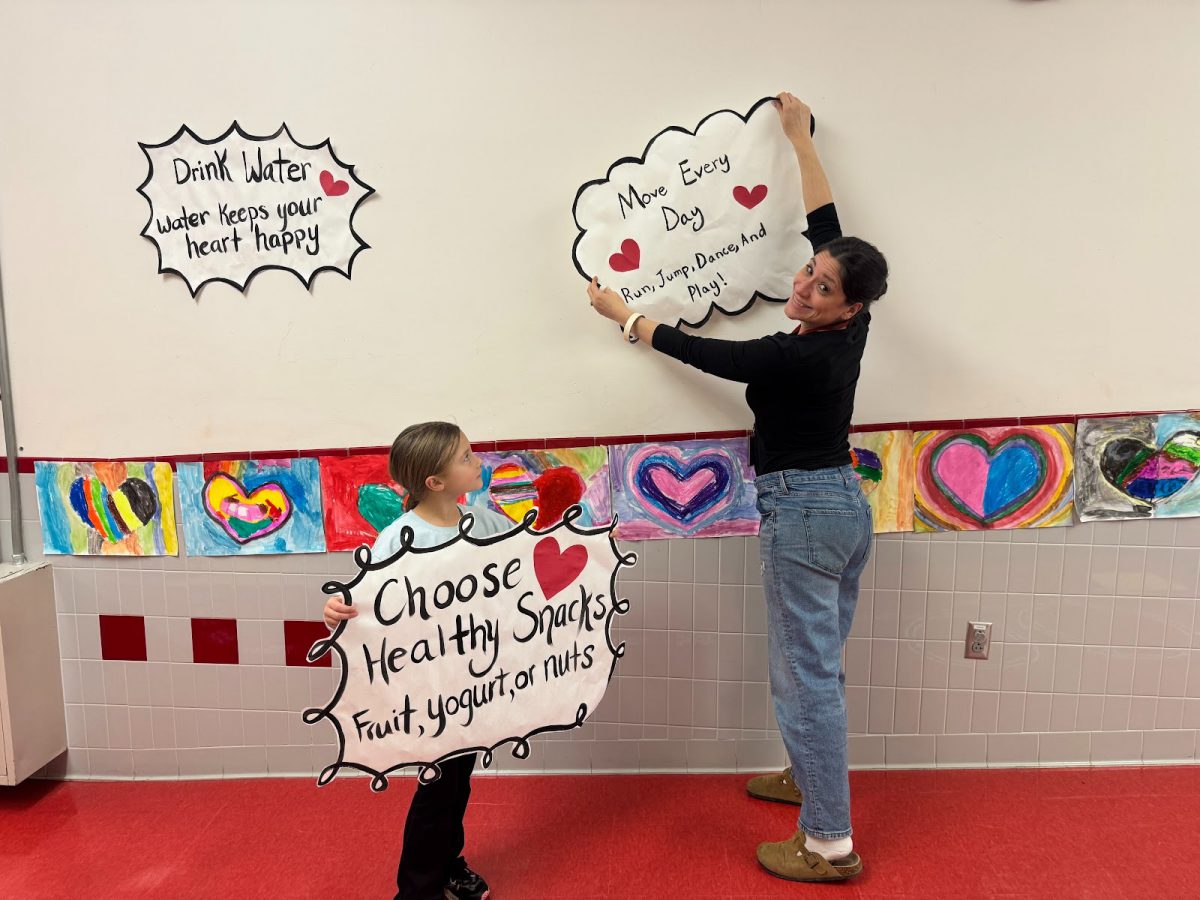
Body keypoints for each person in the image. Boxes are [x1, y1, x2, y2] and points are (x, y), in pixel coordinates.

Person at [586, 92, 888, 883]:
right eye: (811, 275)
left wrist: (626, 315)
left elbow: (704, 355)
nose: (804, 286)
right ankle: (810, 779)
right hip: (842, 508)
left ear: (846, 308)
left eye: (821, 289)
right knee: (815, 665)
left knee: (805, 674)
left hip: (806, 510)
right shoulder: (853, 328)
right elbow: (827, 224)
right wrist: (800, 140)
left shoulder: (798, 356)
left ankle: (828, 842)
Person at [323, 421, 512, 900]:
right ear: (435, 482)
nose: (478, 462)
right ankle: (417, 890)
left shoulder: (488, 524)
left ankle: (449, 865)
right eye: (467, 457)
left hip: (476, 680)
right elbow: (366, 606)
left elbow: (522, 574)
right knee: (438, 789)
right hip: (429, 690)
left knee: (458, 783)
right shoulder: (399, 538)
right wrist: (336, 614)